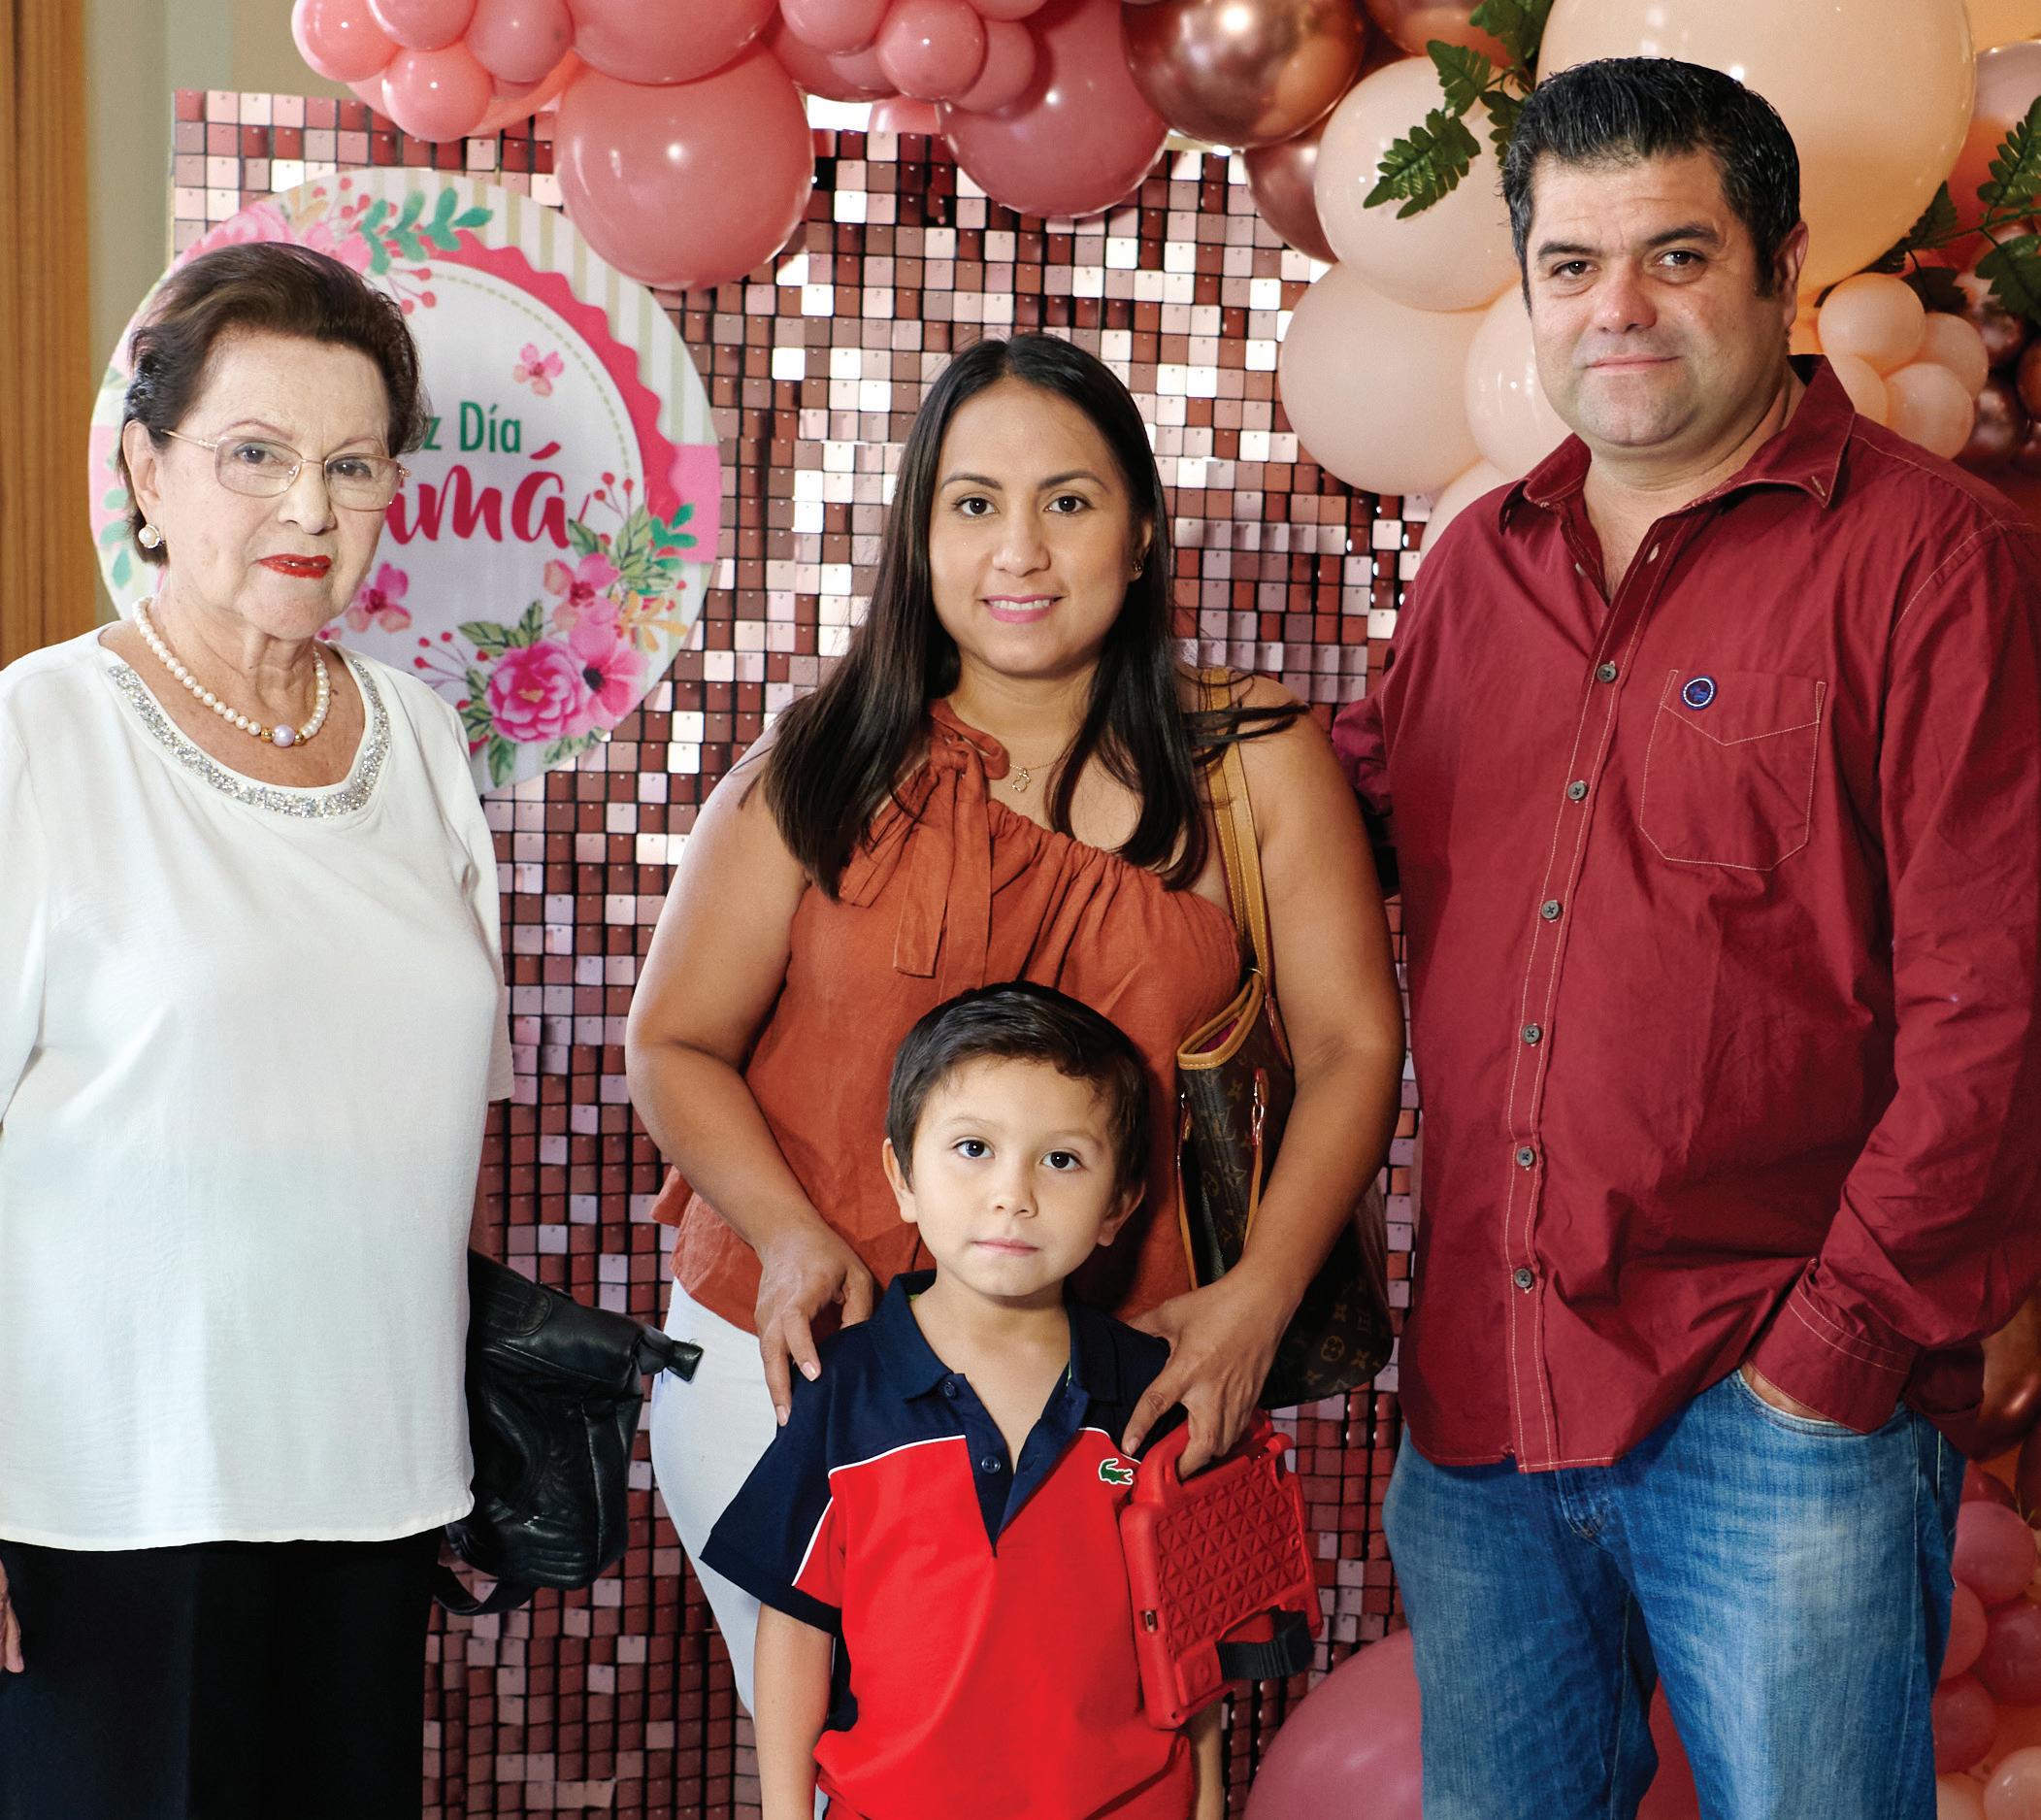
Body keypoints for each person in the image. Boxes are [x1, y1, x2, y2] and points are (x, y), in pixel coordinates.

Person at [1333, 56, 2041, 1817]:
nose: (1617, 308)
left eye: (1674, 254)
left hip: (1771, 1399)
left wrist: (1832, 1355)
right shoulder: (1475, 572)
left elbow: (1998, 1006)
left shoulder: (1934, 562)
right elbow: (1339, 851)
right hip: (1485, 1400)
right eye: (1569, 264)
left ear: (1780, 268)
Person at [627, 332, 1403, 1707]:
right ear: (919, 537)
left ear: (1141, 531)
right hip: (799, 1359)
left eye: (1069, 500)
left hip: (1123, 1379)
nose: (1021, 549)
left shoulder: (1250, 758)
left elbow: (1353, 1047)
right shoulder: (820, 761)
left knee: (1086, 1763)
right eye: (974, 502)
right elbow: (671, 1040)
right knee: (849, 1773)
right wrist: (788, 1234)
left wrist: (1256, 1299)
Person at [0, 242, 510, 1820]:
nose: (310, 507)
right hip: (110, 1498)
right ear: (146, 471)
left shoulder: (421, 737)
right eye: (254, 455)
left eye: (354, 464)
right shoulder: (38, 732)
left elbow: (422, 1123)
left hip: (375, 1485)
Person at [704, 982, 1214, 1820]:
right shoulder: (841, 1390)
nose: (1013, 1194)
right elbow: (795, 1624)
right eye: (973, 1147)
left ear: (1119, 1203)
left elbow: (1196, 1636)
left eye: (1061, 1159)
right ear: (902, 1176)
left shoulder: (1155, 1393)